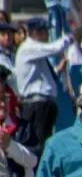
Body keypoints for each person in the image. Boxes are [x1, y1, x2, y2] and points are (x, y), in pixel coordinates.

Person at [12, 17, 73, 153]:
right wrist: (70, 37)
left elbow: (43, 76)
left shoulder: (35, 52)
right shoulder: (30, 47)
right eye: (44, 31)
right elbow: (55, 48)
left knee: (44, 141)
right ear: (35, 33)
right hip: (36, 104)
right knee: (37, 144)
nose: (47, 35)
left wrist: (58, 69)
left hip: (43, 103)